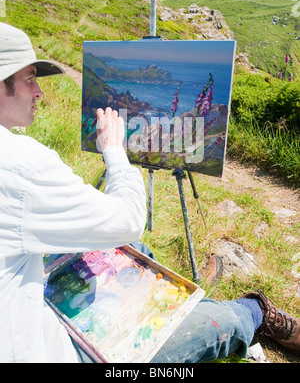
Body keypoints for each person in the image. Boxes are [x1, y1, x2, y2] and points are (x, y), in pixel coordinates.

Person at [0, 22, 299, 363]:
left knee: (132, 251)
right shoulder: (19, 163)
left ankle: (184, 302)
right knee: (223, 322)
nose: (39, 92)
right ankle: (254, 313)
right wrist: (114, 148)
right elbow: (127, 220)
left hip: (25, 290)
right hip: (41, 346)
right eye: (29, 79)